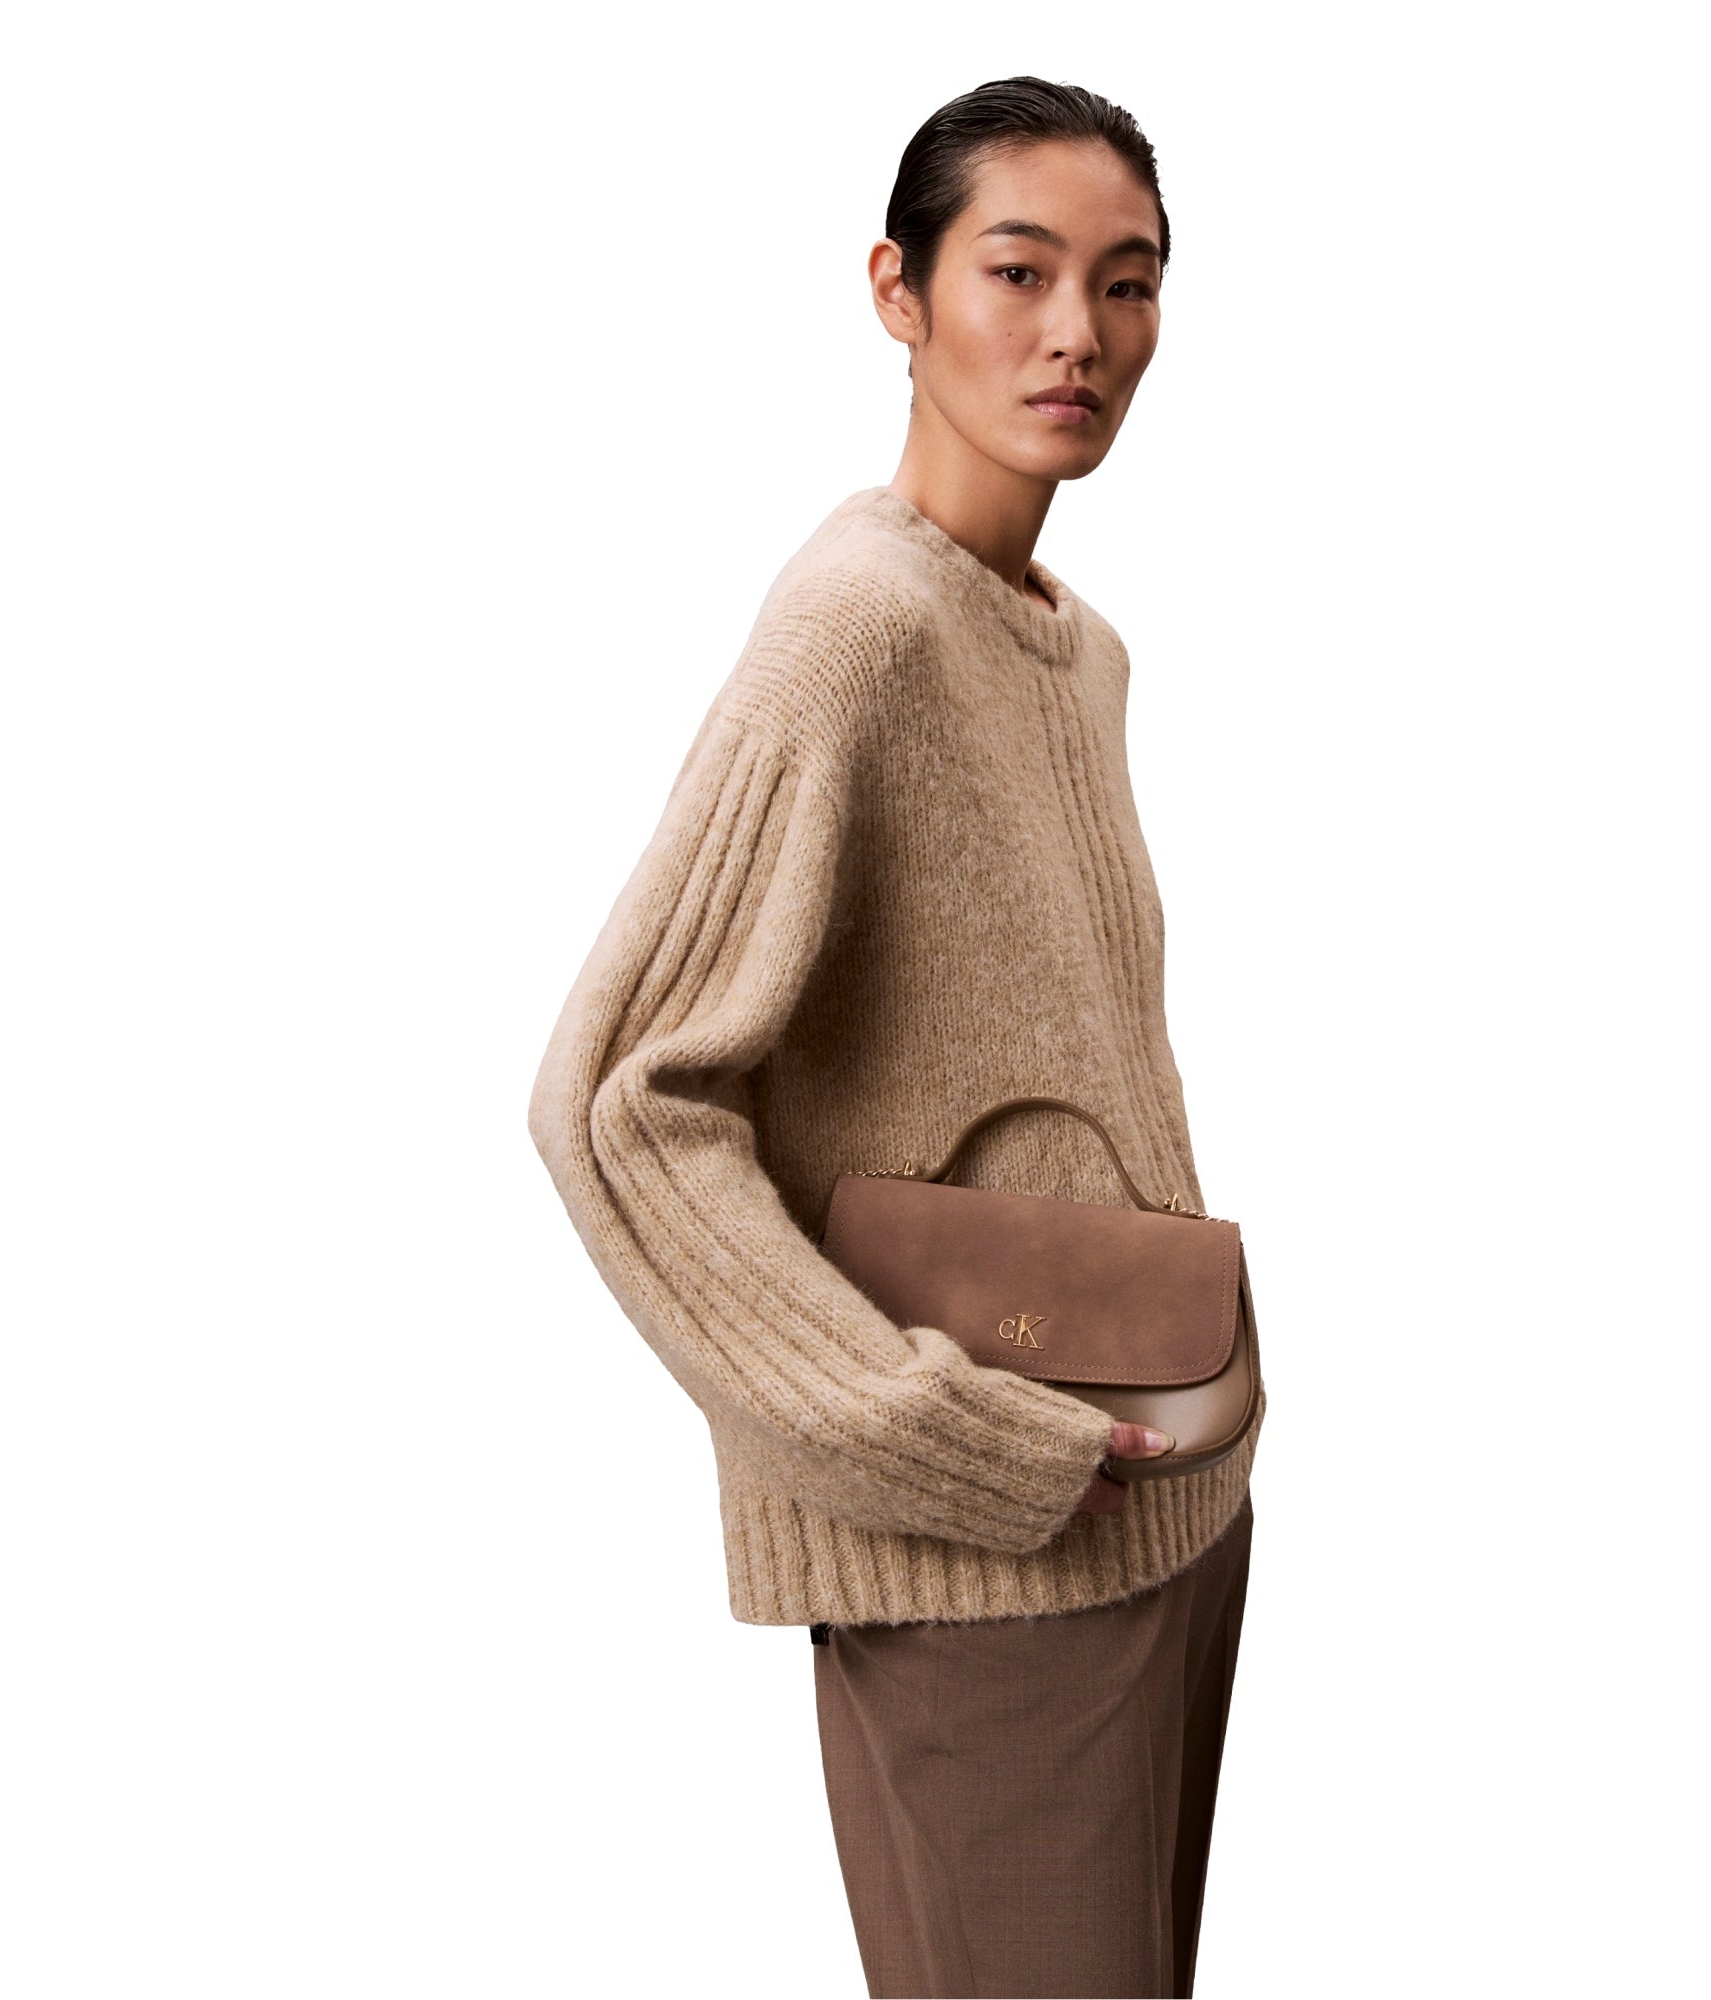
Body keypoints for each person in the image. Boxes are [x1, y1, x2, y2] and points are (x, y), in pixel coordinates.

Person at [527, 75, 1263, 1999]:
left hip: (1170, 1508)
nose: (1078, 332)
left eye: (1128, 282)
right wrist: (924, 1435)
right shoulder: (856, 627)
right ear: (897, 292)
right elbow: (615, 1105)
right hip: (992, 1565)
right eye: (1018, 271)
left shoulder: (1074, 649)